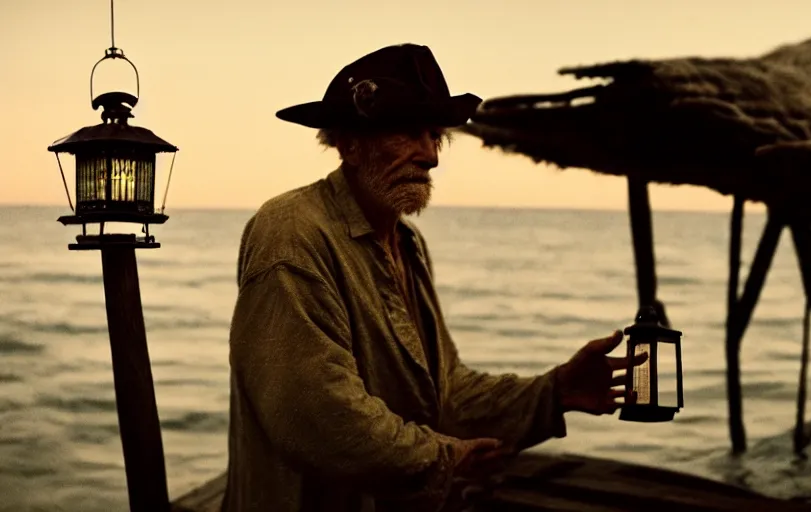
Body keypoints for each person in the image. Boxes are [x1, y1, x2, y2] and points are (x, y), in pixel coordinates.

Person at [222, 43, 646, 512]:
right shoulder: (291, 231)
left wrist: (555, 391)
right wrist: (443, 457)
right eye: (407, 131)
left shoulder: (407, 244)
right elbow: (318, 414)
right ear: (348, 142)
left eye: (435, 135)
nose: (431, 156)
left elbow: (446, 394)